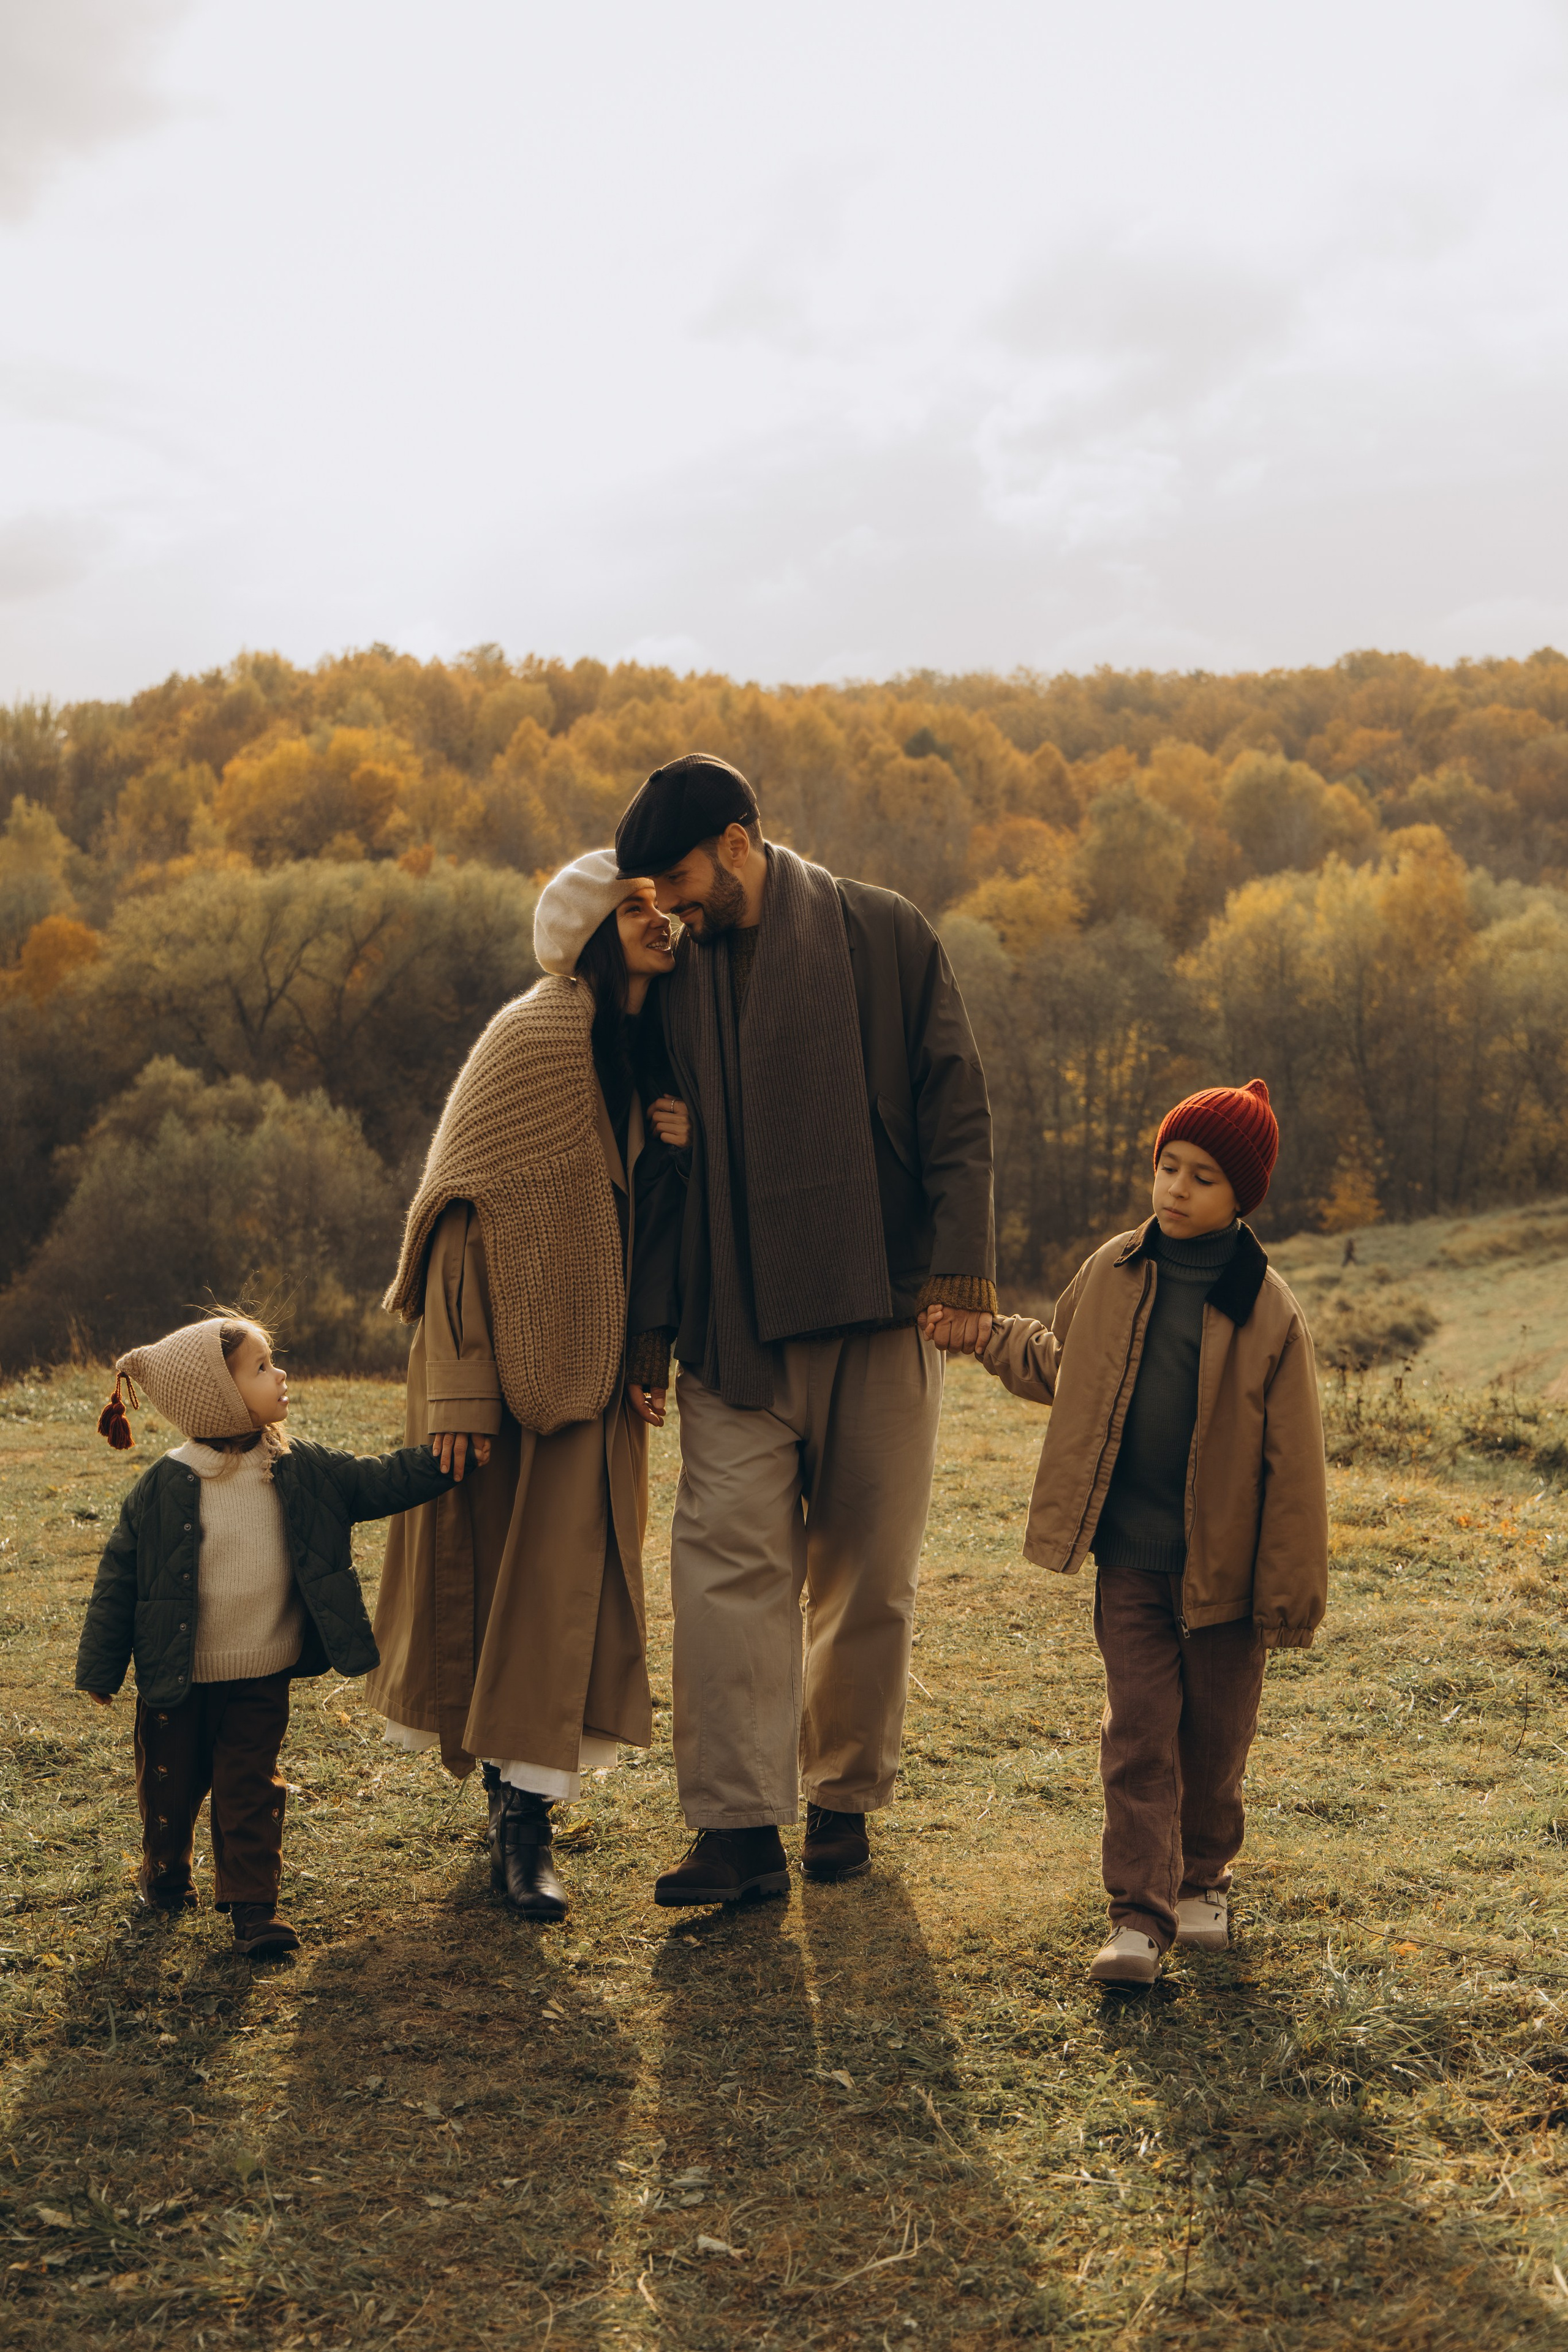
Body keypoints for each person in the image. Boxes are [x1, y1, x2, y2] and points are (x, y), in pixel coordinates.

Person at [613, 753, 995, 1907]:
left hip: (879, 1306)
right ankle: (736, 1834)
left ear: (737, 842)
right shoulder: (669, 977)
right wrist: (649, 1326)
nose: (674, 910)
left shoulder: (885, 933)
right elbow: (651, 1156)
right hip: (732, 1324)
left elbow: (954, 1103)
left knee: (868, 1579)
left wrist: (960, 1272)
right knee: (722, 1574)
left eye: (683, 882)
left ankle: (842, 1801)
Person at [927, 1079, 1329, 1986]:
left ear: (1241, 1197)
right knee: (1139, 1733)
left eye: (1203, 1178)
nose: (1177, 1189)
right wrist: (985, 1335)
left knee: (1214, 1743)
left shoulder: (1268, 1308)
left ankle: (1204, 1877)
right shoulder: (1113, 1269)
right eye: (1168, 1167)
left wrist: (1287, 1593)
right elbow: (1062, 1367)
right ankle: (1139, 1918)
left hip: (1224, 1578)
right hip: (1131, 1565)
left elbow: (1296, 1469)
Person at [369, 851, 688, 1922]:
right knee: (503, 1578)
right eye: (635, 909)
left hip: (594, 1369)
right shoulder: (536, 1036)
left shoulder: (646, 1047)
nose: (660, 922)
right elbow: (458, 1220)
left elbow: (650, 1225)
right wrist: (460, 1394)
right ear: (591, 930)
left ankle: (528, 1815)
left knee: (564, 1589)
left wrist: (647, 1353)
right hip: (500, 1367)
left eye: (662, 905)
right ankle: (513, 1818)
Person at [75, 1315, 453, 1958]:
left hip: (262, 1674)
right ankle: (164, 1871)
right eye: (260, 1367)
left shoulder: (299, 1467)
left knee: (250, 1786)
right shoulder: (162, 1486)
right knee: (170, 1785)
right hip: (179, 1677)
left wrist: (448, 1460)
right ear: (217, 1395)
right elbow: (118, 1579)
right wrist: (101, 1669)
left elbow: (378, 1479)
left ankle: (254, 1908)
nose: (280, 1374)